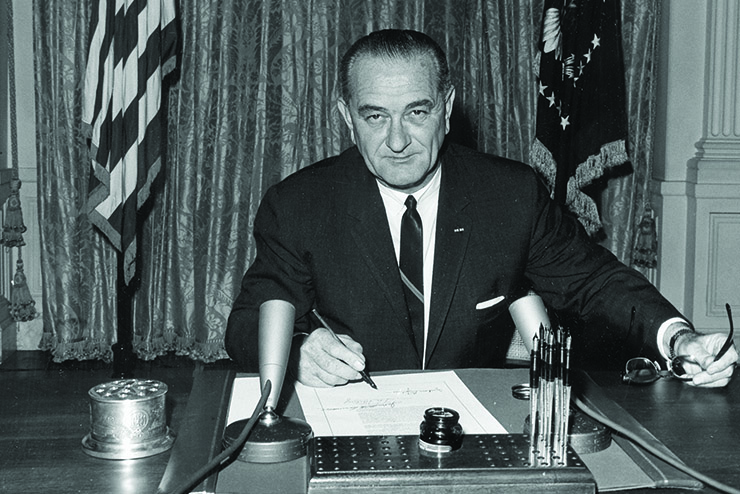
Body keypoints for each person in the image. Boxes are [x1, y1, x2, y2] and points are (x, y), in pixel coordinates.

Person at [226, 29, 737, 389]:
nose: (397, 141)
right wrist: (298, 350)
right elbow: (246, 323)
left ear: (447, 108)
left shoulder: (510, 195)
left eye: (417, 112)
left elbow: (594, 282)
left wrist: (680, 338)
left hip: (471, 424)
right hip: (348, 417)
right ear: (346, 117)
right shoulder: (298, 204)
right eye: (376, 116)